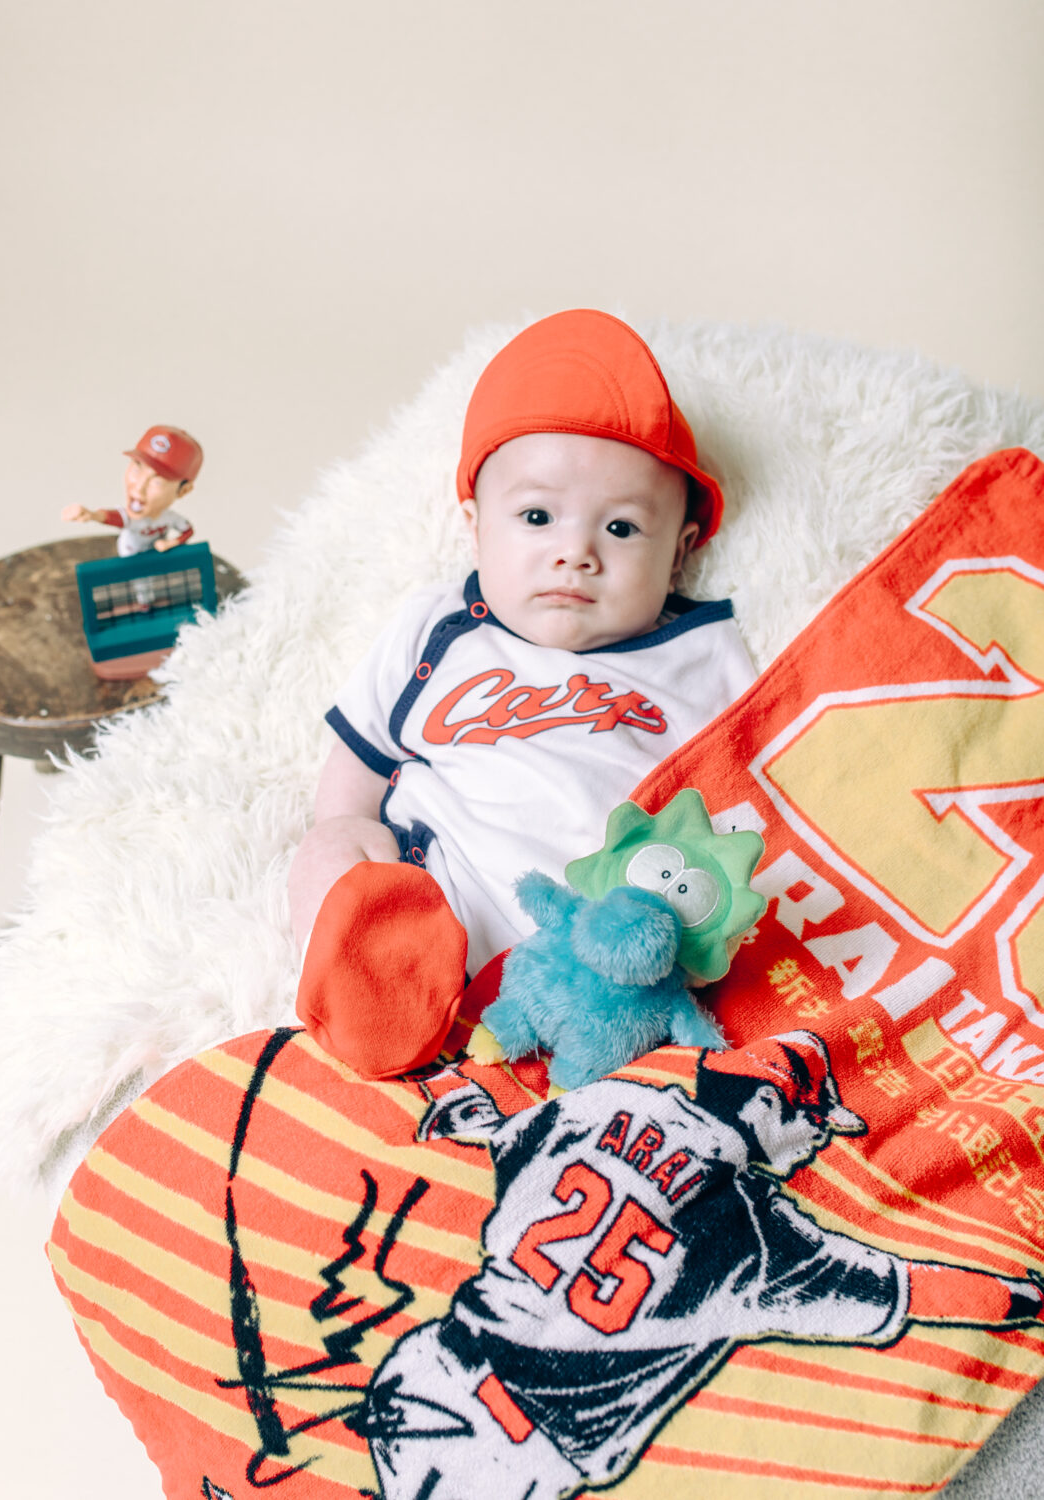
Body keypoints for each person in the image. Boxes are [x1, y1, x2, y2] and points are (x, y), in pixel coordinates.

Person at [289, 310, 757, 1077]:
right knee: (331, 847)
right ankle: (372, 993)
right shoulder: (440, 626)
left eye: (621, 529)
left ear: (679, 551)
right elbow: (359, 756)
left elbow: (750, 789)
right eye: (536, 517)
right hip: (430, 896)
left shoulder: (701, 657)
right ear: (475, 528)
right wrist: (345, 830)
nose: (575, 552)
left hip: (598, 950)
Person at [360, 1033, 1044, 1500]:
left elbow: (490, 1135)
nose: (816, 1137)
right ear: (768, 1104)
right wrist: (1026, 1297)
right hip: (509, 1448)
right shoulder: (763, 1235)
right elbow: (919, 1290)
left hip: (424, 1366)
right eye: (813, 1117)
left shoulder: (610, 1099)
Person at [61, 424, 202, 554]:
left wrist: (171, 543)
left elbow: (188, 531)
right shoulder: (132, 520)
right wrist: (92, 515)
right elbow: (114, 517)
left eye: (157, 481)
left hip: (154, 560)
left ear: (184, 490)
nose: (139, 487)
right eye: (136, 470)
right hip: (129, 560)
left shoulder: (169, 518)